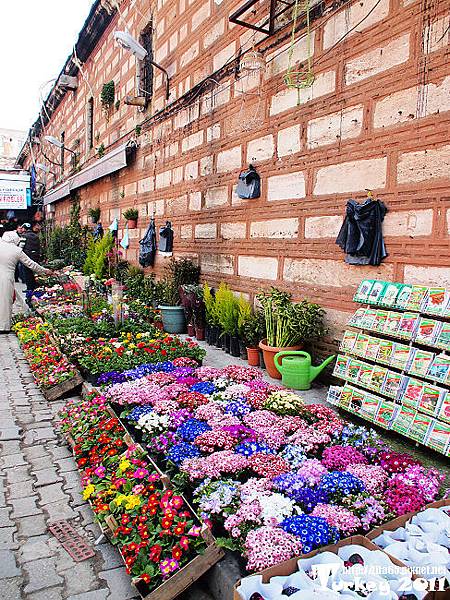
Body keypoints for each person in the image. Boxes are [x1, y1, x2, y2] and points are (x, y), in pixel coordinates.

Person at [0, 237, 53, 332]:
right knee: (5, 302)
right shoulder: (16, 250)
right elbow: (31, 264)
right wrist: (45, 271)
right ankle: (3, 327)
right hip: (6, 278)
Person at [22, 222, 42, 291]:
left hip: (27, 257)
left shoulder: (24, 236)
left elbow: (20, 247)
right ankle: (35, 287)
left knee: (27, 273)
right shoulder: (36, 236)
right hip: (35, 256)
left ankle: (29, 288)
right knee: (34, 272)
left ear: (24, 229)